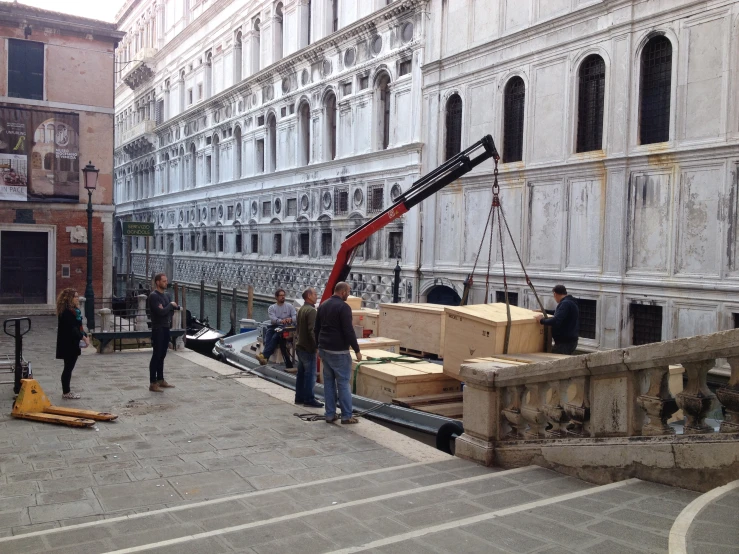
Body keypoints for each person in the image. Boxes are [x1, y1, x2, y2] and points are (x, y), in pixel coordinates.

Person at [314, 282, 362, 424]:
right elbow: (348, 331)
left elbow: (316, 328)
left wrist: (317, 346)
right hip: (339, 351)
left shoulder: (323, 305)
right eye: (348, 291)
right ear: (342, 292)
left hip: (324, 349)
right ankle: (346, 415)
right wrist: (357, 350)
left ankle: (330, 414)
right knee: (343, 383)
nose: (349, 293)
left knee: (328, 382)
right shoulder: (344, 307)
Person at [55, 288, 89, 399]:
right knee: (68, 368)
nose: (77, 298)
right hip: (67, 344)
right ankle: (66, 392)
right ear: (70, 298)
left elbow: (78, 326)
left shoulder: (74, 311)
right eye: (75, 296)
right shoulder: (66, 312)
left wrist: (84, 334)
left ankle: (66, 391)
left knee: (69, 367)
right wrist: (83, 337)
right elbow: (72, 329)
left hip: (72, 343)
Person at [148, 273, 179, 392]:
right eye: (164, 281)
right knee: (156, 354)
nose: (166, 283)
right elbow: (160, 313)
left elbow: (169, 312)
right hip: (157, 328)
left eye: (166, 281)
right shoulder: (153, 296)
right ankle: (152, 382)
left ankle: (160, 379)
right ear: (157, 282)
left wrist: (168, 307)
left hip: (166, 327)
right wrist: (169, 307)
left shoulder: (167, 296)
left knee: (163, 354)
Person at [294, 287, 323, 408]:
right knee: (310, 375)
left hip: (300, 346)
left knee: (301, 374)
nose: (317, 296)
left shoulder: (301, 309)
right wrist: (317, 346)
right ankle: (309, 399)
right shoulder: (311, 311)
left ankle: (299, 397)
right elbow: (312, 331)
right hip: (308, 348)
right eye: (315, 294)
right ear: (309, 296)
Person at [533, 284, 580, 355]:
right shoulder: (570, 302)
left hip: (564, 343)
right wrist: (544, 311)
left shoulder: (565, 304)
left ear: (555, 294)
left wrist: (541, 320)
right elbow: (559, 314)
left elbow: (556, 320)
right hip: (570, 341)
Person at [257, 288, 297, 368]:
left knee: (276, 336)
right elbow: (273, 319)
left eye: (283, 295)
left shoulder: (290, 306)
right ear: (276, 297)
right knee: (268, 337)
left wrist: (290, 319)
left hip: (286, 327)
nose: (283, 297)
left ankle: (264, 356)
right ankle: (265, 358)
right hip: (274, 326)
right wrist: (281, 321)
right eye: (281, 295)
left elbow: (295, 317)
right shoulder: (271, 308)